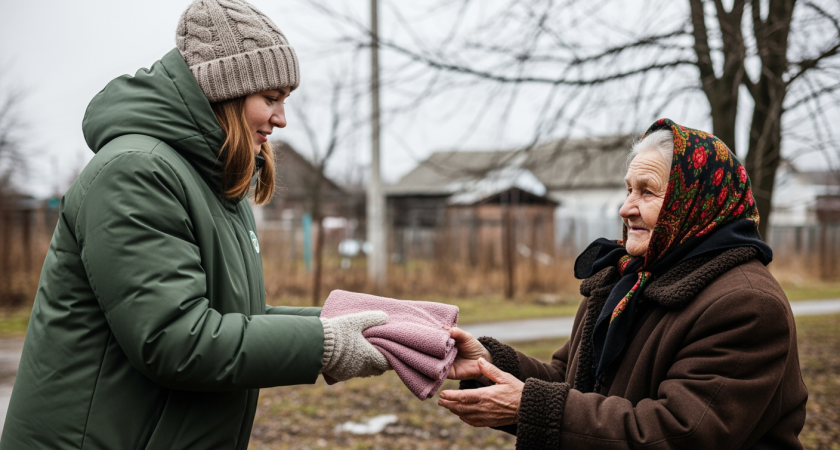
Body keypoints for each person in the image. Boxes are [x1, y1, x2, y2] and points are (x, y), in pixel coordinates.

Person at [0, 1, 390, 449]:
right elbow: (175, 339)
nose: (281, 119)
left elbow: (237, 320)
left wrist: (364, 322)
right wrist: (324, 343)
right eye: (271, 99)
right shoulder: (135, 172)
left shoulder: (216, 183)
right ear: (227, 89)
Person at [440, 119, 808, 449]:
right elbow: (569, 382)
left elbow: (679, 433)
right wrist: (488, 364)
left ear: (696, 202)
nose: (626, 207)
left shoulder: (748, 305)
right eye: (628, 189)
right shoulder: (626, 282)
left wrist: (528, 405)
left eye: (647, 192)